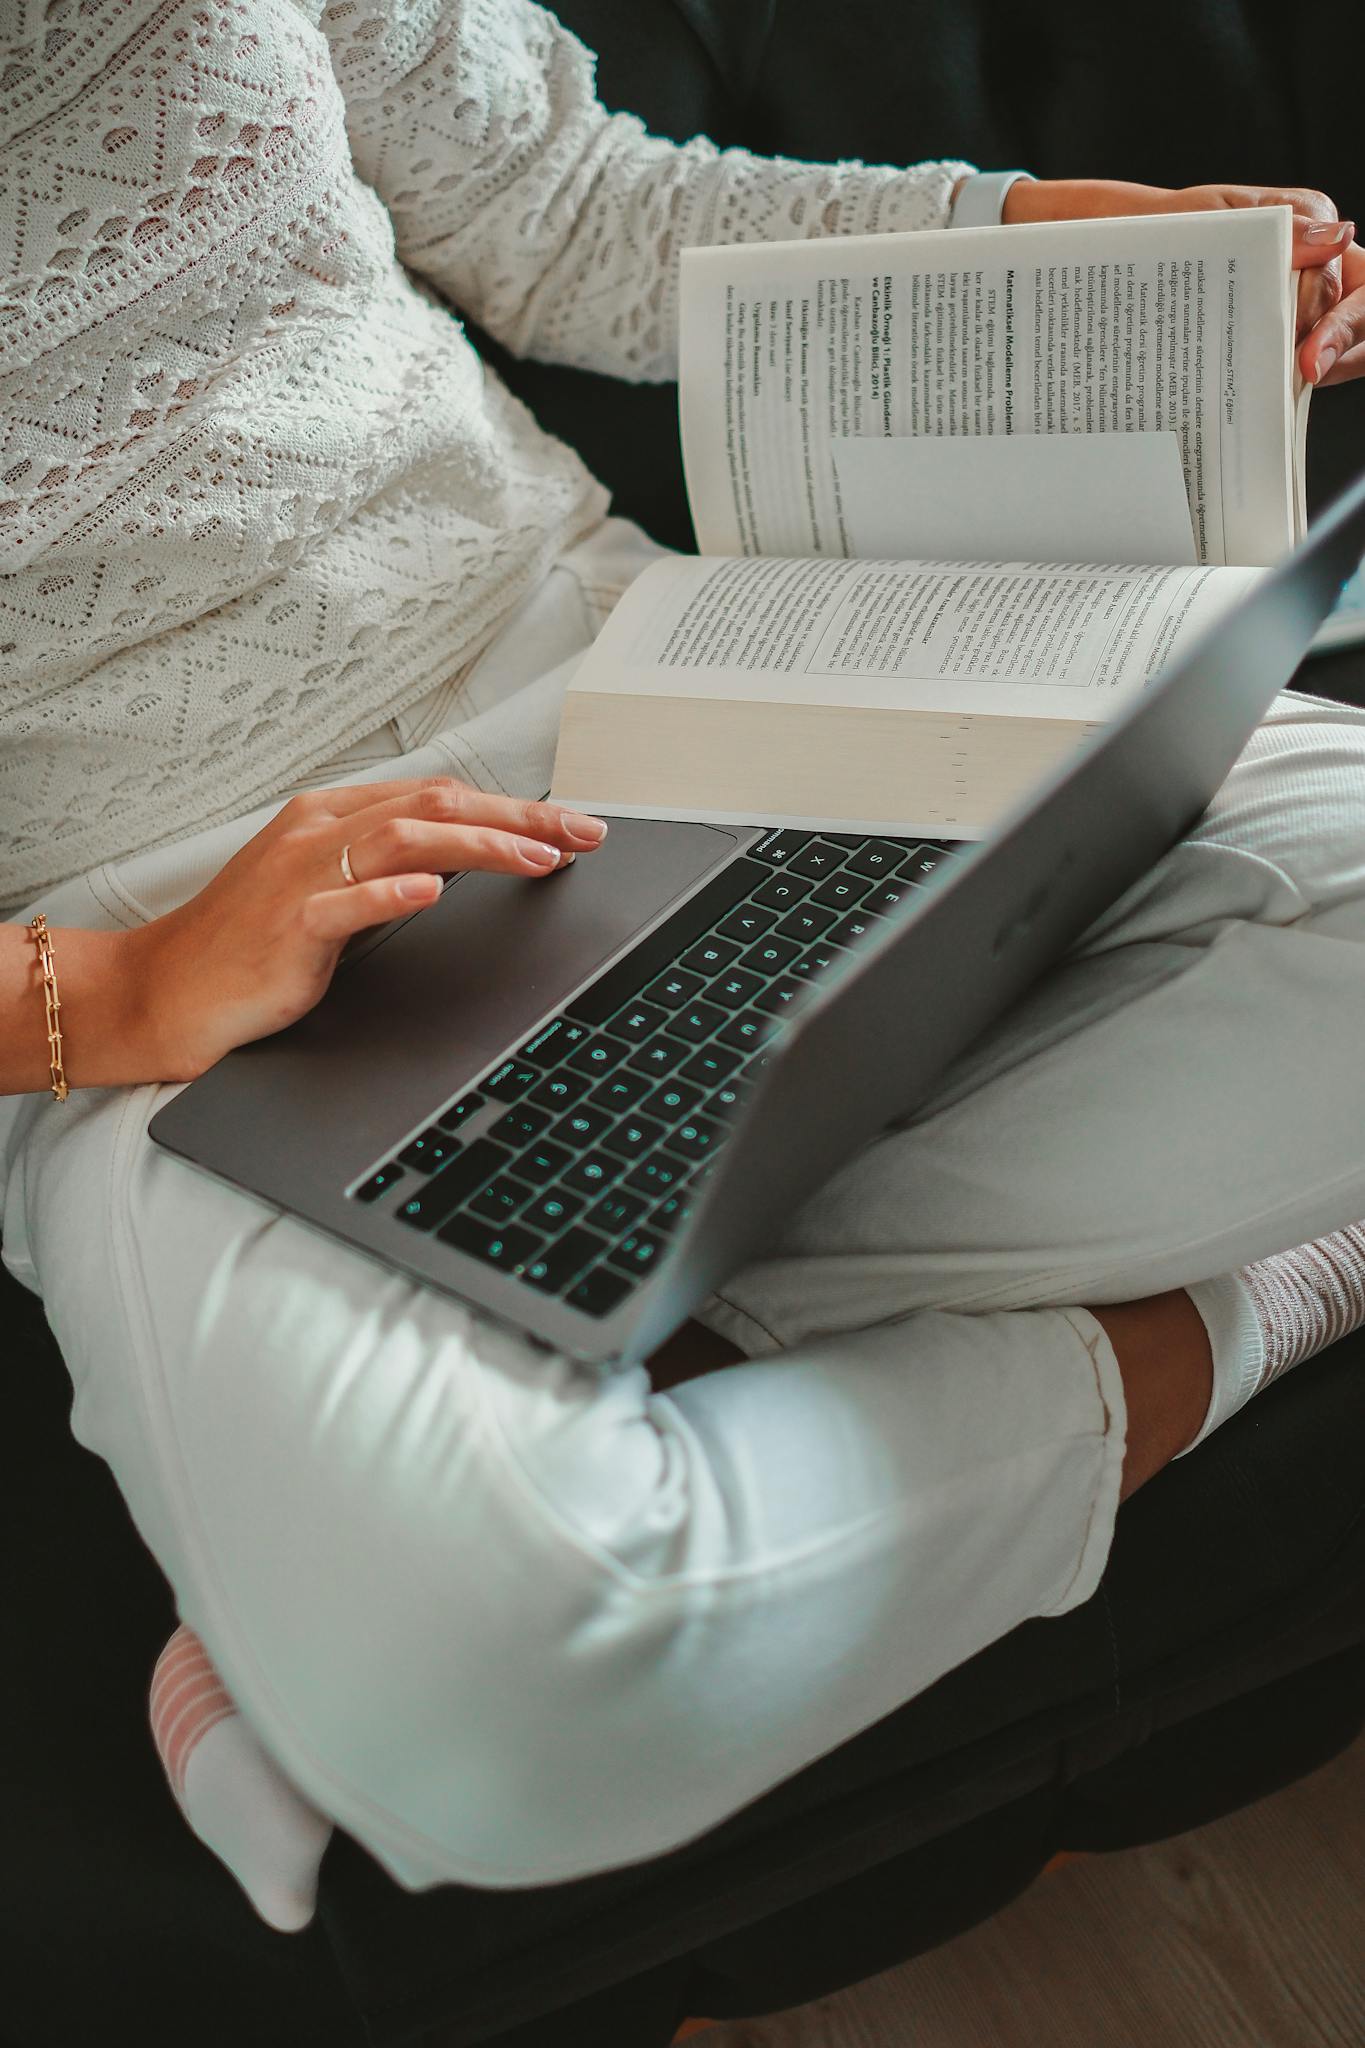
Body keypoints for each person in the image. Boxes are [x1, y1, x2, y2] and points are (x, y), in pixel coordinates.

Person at [3, 0, 1365, 1937]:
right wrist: (128, 992)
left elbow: (578, 204)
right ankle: (1229, 1315)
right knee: (486, 1673)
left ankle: (594, 1336)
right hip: (162, 951)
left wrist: (1067, 240)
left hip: (608, 669)